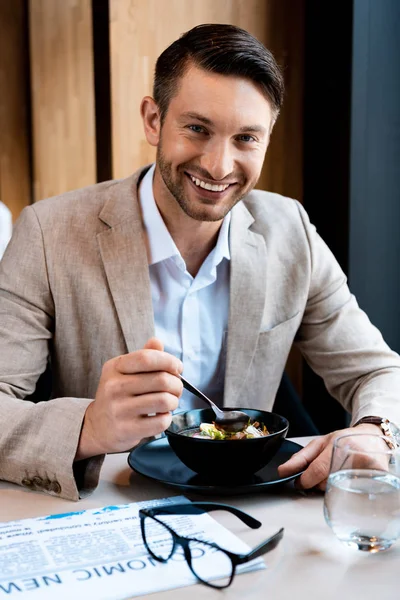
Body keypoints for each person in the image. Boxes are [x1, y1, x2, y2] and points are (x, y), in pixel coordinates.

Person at [0, 24, 399, 501]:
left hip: (252, 512)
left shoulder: (291, 230)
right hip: (104, 510)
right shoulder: (48, 232)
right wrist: (90, 424)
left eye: (246, 138)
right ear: (153, 120)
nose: (218, 165)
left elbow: (376, 371)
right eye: (197, 129)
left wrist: (375, 429)